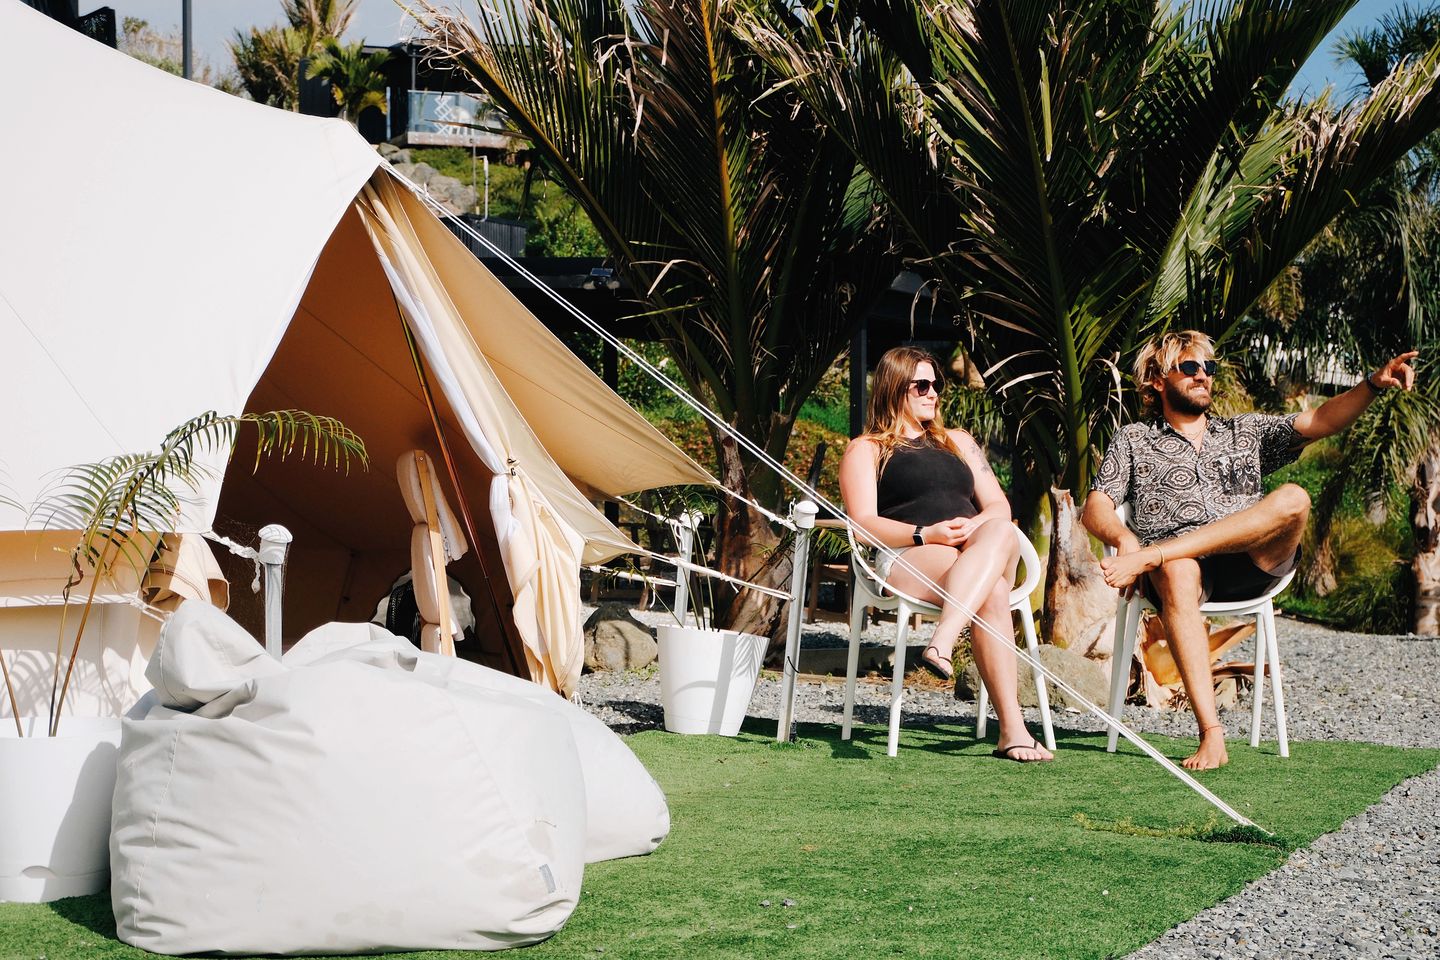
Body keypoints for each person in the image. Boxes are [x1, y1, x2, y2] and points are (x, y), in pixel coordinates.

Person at [1084, 330, 1418, 770]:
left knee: (1295, 498)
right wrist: (1127, 540)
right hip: (1180, 573)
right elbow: (1095, 507)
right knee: (1179, 569)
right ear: (1157, 380)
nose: (1203, 376)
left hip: (1252, 561)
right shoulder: (1134, 439)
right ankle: (1211, 734)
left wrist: (1373, 384)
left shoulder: (1246, 431)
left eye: (1209, 368)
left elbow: (1322, 421)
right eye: (1189, 367)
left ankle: (1157, 554)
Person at [839, 346, 1054, 762]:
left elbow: (998, 505)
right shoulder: (866, 449)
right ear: (893, 387)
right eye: (921, 384)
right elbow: (862, 522)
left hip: (979, 546)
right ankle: (1013, 732)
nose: (933, 392)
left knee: (1000, 528)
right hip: (912, 551)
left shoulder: (958, 441)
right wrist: (927, 532)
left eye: (936, 384)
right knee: (990, 593)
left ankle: (942, 639)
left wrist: (973, 527)